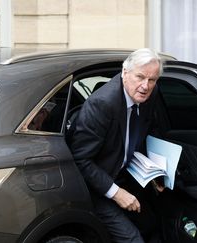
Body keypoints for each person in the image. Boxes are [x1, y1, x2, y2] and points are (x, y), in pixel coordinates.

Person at [68, 48, 163, 243]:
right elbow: (80, 159)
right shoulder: (102, 104)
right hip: (95, 187)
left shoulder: (148, 94)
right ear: (125, 73)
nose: (145, 86)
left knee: (152, 224)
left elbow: (147, 132)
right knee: (133, 240)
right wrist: (117, 193)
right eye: (140, 77)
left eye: (152, 80)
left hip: (124, 175)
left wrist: (155, 173)